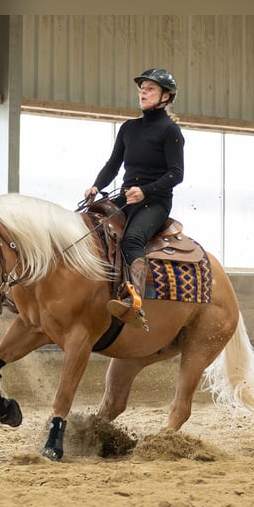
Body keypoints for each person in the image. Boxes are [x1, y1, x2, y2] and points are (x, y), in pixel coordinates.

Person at [83, 68, 185, 324]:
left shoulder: (170, 131)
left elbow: (176, 174)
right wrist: (96, 186)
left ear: (166, 96)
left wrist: (146, 191)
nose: (143, 92)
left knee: (131, 241)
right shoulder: (128, 128)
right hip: (127, 197)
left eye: (150, 88)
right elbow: (112, 165)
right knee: (90, 225)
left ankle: (134, 301)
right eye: (142, 88)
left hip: (155, 201)